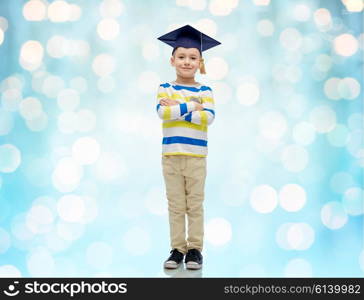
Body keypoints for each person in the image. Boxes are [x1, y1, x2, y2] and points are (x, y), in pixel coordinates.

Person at [156, 25, 221, 270]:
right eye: (181, 57)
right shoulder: (165, 88)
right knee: (175, 205)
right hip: (171, 155)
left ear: (200, 61)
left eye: (192, 58)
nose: (186, 62)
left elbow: (210, 117)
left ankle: (194, 249)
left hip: (196, 157)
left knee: (194, 204)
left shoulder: (206, 90)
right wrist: (192, 107)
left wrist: (179, 108)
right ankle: (177, 250)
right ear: (172, 60)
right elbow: (164, 113)